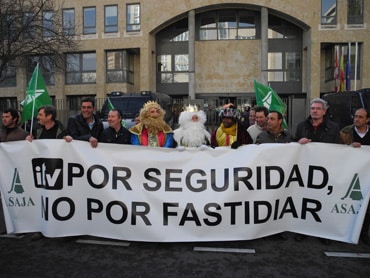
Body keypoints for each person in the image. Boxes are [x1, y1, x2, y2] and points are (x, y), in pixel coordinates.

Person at [294, 97, 341, 245]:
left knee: (323, 202)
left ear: (324, 111)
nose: (314, 111)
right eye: (312, 108)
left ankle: (323, 232)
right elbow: (294, 145)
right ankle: (303, 230)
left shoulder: (333, 127)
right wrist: (298, 143)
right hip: (305, 170)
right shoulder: (301, 126)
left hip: (324, 171)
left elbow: (338, 147)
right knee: (304, 201)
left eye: (318, 108)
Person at [340, 108, 370, 245]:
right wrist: (349, 147)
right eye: (355, 116)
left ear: (367, 120)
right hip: (350, 172)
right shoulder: (346, 132)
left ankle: (363, 233)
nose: (357, 119)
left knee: (367, 205)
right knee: (349, 202)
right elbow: (338, 149)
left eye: (361, 117)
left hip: (367, 173)